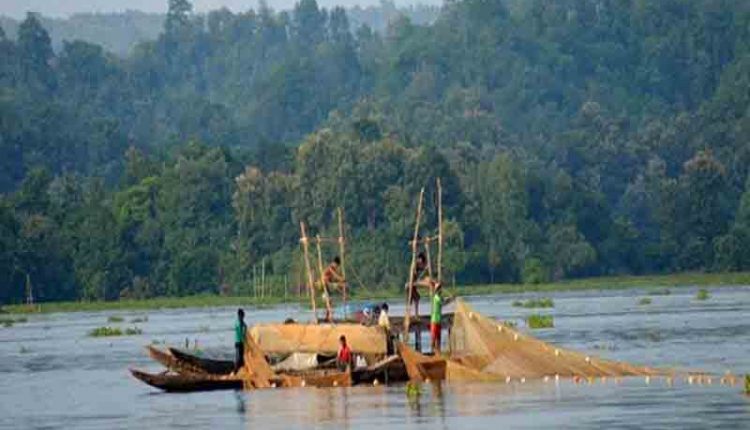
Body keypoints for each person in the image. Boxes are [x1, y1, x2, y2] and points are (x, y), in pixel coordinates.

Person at [407, 253, 433, 318]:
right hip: (411, 283)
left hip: (414, 284)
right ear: (420, 259)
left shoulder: (418, 265)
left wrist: (426, 268)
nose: (421, 264)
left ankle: (415, 314)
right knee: (412, 299)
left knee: (417, 297)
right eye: (421, 262)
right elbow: (415, 272)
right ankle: (410, 315)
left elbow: (423, 268)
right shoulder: (414, 265)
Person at [430, 283, 454, 354]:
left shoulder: (439, 297)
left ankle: (438, 353)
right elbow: (443, 303)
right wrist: (451, 299)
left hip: (438, 321)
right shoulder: (436, 297)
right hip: (434, 320)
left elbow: (445, 300)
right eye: (439, 289)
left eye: (440, 288)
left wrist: (451, 298)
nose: (440, 290)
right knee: (433, 338)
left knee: (438, 339)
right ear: (436, 290)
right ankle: (432, 353)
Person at [322, 256, 346, 321]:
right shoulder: (330, 267)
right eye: (337, 265)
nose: (337, 267)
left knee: (329, 302)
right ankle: (329, 317)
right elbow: (334, 275)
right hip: (325, 284)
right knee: (328, 302)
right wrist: (341, 279)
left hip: (328, 285)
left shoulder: (333, 268)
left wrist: (340, 281)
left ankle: (327, 318)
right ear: (334, 263)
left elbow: (334, 278)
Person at [234, 308, 247, 373]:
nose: (242, 317)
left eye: (243, 316)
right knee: (238, 357)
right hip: (238, 342)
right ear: (239, 315)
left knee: (242, 357)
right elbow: (241, 334)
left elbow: (244, 332)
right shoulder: (238, 323)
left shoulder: (242, 323)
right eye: (242, 316)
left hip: (242, 343)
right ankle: (236, 371)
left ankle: (241, 370)